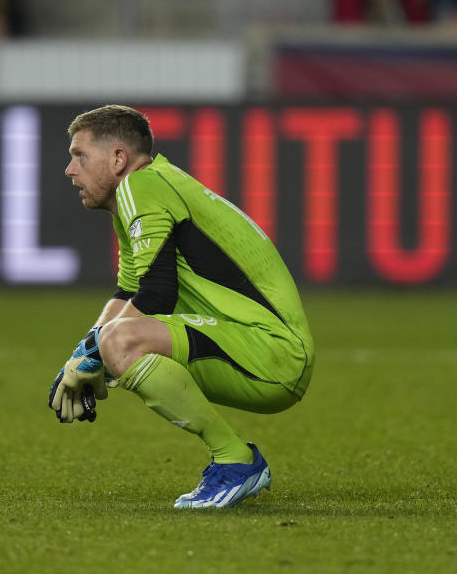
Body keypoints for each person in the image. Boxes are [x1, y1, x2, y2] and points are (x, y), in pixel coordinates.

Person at [48, 105, 315, 510]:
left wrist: (94, 353)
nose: (70, 169)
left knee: (121, 343)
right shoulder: (143, 192)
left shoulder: (143, 187)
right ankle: (235, 461)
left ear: (118, 158)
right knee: (114, 341)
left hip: (271, 352)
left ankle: (236, 460)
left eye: (80, 155)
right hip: (253, 345)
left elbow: (156, 297)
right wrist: (83, 352)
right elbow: (129, 291)